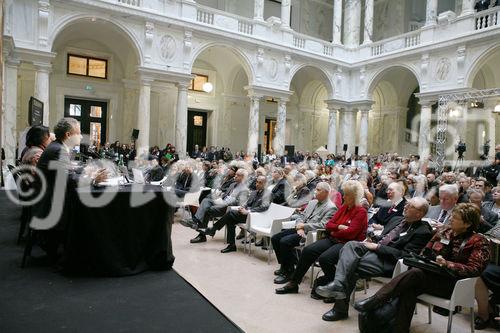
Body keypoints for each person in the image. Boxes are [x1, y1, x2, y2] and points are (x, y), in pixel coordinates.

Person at [354, 203, 491, 333]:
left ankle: (376, 300)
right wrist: (428, 258)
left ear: (467, 224)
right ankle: (399, 329)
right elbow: (424, 251)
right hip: (432, 275)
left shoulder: (479, 241)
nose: (450, 219)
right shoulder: (445, 231)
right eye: (451, 216)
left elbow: (475, 269)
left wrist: (448, 263)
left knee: (415, 275)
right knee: (410, 286)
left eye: (455, 218)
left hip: (454, 285)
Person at [315, 197, 432, 322]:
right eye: (407, 203)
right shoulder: (396, 219)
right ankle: (338, 286)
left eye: (410, 205)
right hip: (374, 253)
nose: (405, 206)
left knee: (349, 265)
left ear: (419, 213)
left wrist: (378, 247)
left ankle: (339, 306)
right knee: (350, 245)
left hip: (389, 262)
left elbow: (405, 255)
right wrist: (374, 240)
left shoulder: (422, 231)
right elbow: (383, 237)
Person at [275, 180, 367, 295]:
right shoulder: (344, 207)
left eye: (346, 194)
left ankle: (335, 282)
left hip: (346, 244)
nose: (343, 196)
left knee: (325, 259)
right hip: (333, 239)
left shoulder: (361, 212)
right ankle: (294, 283)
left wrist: (334, 232)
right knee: (308, 251)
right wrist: (338, 227)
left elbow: (351, 233)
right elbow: (329, 225)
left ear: (354, 196)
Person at [35, 117, 107, 260]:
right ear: (68, 135)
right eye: (79, 132)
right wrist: (93, 179)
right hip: (51, 204)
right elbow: (68, 180)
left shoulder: (57, 147)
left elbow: (65, 174)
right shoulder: (59, 150)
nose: (81, 136)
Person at [271, 182, 337, 284]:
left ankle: (289, 272)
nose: (315, 191)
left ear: (326, 192)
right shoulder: (312, 202)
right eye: (316, 189)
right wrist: (300, 225)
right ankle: (285, 266)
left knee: (285, 242)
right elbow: (301, 216)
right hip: (300, 229)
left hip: (311, 234)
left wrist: (304, 227)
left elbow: (323, 225)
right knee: (275, 238)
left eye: (318, 190)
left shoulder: (331, 207)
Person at [203, 176, 271, 253]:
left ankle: (214, 229)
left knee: (230, 213)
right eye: (257, 182)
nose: (257, 184)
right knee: (230, 220)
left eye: (260, 183)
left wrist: (248, 211)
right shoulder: (254, 192)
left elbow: (264, 207)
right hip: (247, 215)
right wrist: (242, 207)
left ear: (265, 184)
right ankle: (231, 245)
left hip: (257, 217)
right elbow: (247, 203)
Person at [189, 169, 249, 243]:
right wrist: (219, 198)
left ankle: (201, 234)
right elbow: (225, 195)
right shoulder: (232, 185)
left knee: (207, 209)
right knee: (206, 200)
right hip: (221, 203)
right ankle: (196, 221)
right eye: (235, 174)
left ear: (243, 178)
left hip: (227, 208)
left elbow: (238, 203)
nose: (235, 176)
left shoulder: (244, 190)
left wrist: (224, 203)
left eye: (238, 175)